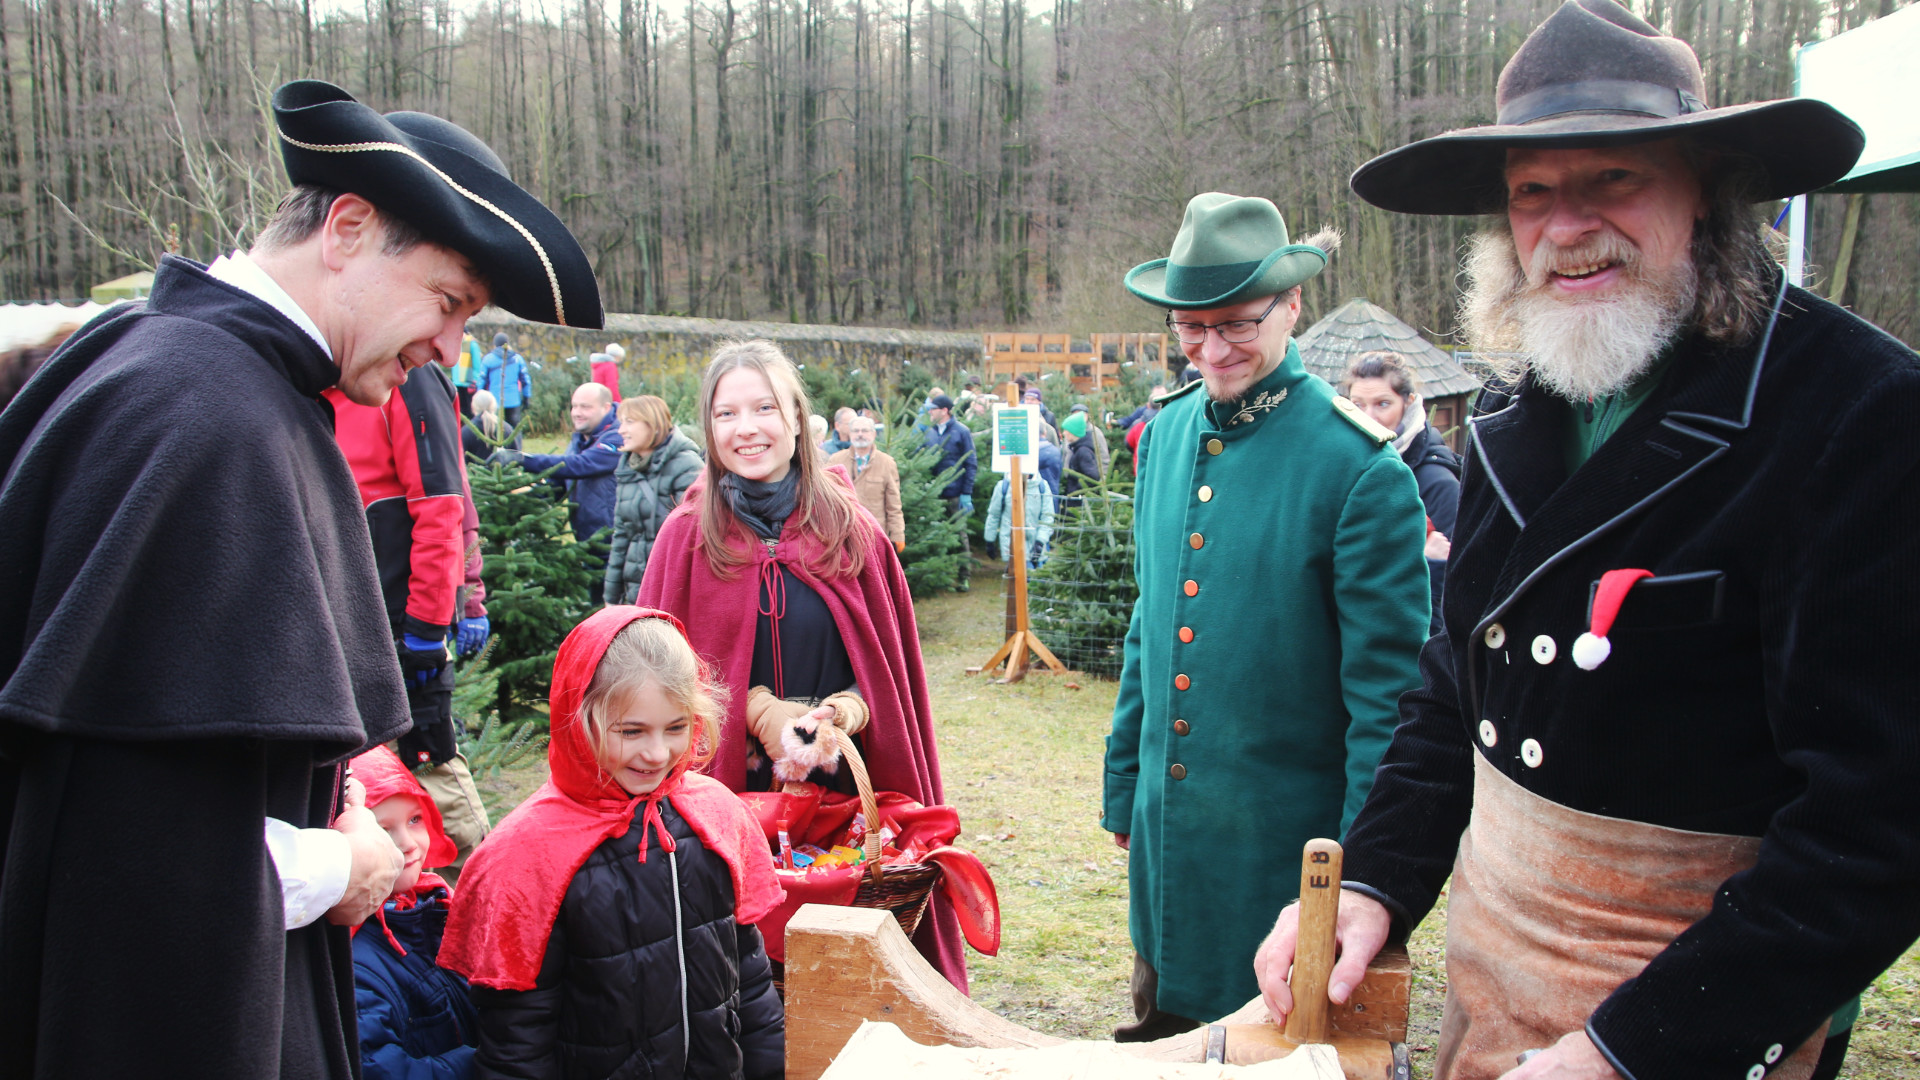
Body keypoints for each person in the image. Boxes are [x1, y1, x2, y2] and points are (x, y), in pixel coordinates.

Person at [1253, 5, 1916, 1079]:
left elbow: (1875, 828)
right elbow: (1450, 697)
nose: (1568, 226)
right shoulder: (1517, 419)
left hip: (1699, 1021)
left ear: (1707, 190)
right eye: (1533, 192)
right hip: (1497, 979)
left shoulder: (1858, 413)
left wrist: (1629, 1051)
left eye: (1614, 179)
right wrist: (1371, 885)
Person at [0, 78, 600, 1078]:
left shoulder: (176, 368)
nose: (450, 350)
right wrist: (344, 863)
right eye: (449, 303)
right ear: (350, 227)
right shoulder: (209, 423)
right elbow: (127, 859)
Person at [1105, 191, 1430, 1039]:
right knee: (1161, 1036)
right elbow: (1151, 621)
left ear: (1292, 304)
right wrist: (1124, 789)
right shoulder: (1167, 436)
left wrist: (1358, 882)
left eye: (1238, 325)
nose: (1212, 350)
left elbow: (1387, 711)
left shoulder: (1360, 471)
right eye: (1190, 328)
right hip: (1168, 855)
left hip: (1280, 871)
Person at [637, 339, 969, 992]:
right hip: (723, 800)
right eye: (726, 414)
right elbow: (655, 684)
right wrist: (757, 712)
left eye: (764, 407)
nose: (747, 428)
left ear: (795, 417)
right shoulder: (685, 536)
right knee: (739, 987)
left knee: (841, 985)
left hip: (844, 801)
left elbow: (886, 672)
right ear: (708, 429)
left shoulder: (852, 529)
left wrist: (844, 710)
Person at [438, 607, 784, 1080]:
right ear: (577, 720)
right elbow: (517, 1041)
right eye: (631, 731)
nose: (658, 753)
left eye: (676, 728)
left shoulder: (714, 817)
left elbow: (750, 974)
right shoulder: (528, 855)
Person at [325, 354, 493, 873]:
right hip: (338, 615)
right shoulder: (315, 379)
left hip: (399, 617)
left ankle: (477, 892)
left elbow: (446, 503)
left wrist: (435, 617)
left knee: (430, 762)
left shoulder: (408, 376)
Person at [349, 744, 478, 1080]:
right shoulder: (352, 958)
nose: (407, 842)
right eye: (382, 829)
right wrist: (497, 1060)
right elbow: (382, 1070)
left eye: (415, 819)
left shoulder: (434, 903)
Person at [1343, 351, 1462, 637]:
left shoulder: (1437, 484)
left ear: (1408, 403)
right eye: (1357, 405)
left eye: (1382, 404)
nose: (1367, 417)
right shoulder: (1348, 466)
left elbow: (1467, 589)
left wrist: (1429, 565)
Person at [507, 382, 624, 594]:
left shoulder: (617, 437)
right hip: (585, 539)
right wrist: (522, 505)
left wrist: (523, 459)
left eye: (585, 407)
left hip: (612, 542)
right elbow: (561, 482)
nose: (577, 413)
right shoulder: (580, 439)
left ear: (606, 408)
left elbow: (580, 465)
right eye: (574, 406)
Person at [605, 394, 704, 606]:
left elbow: (695, 535)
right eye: (621, 422)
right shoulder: (628, 467)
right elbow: (622, 535)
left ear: (653, 424)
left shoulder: (686, 465)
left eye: (629, 422)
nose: (621, 430)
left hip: (671, 590)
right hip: (635, 590)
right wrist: (611, 598)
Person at [920, 391, 978, 590]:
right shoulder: (931, 432)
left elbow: (970, 463)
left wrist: (966, 492)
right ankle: (940, 576)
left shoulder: (961, 431)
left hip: (955, 492)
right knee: (936, 534)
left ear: (944, 411)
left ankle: (964, 576)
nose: (930, 413)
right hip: (933, 494)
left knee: (959, 534)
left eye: (933, 409)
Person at [828, 413, 906, 553]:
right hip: (843, 538)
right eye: (856, 431)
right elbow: (826, 501)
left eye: (864, 431)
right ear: (850, 434)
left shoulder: (887, 463)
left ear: (874, 434)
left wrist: (897, 535)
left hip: (875, 536)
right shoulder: (836, 460)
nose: (860, 434)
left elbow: (894, 505)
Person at [983, 469, 1054, 569]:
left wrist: (1040, 541)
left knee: (1038, 581)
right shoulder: (1004, 487)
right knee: (1023, 579)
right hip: (1012, 547)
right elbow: (994, 515)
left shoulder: (1042, 486)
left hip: (1036, 546)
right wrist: (989, 540)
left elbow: (1047, 517)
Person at [478, 332, 531, 447]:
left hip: (494, 401)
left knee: (494, 428)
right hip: (513, 400)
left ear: (494, 344)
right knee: (515, 429)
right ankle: (517, 452)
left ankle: (495, 452)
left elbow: (482, 381)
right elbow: (525, 380)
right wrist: (526, 397)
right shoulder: (517, 359)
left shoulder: (488, 359)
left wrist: (480, 397)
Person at [1059, 411, 1102, 504]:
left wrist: (1077, 491)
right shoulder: (1077, 449)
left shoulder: (1083, 452)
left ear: (1073, 432)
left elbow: (1093, 477)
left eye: (1066, 430)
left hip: (1079, 502)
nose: (1064, 433)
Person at [464, 387, 504, 460]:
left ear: (473, 407)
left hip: (472, 471)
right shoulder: (506, 429)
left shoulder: (466, 432)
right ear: (494, 405)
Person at [1070, 402, 1110, 469]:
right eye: (1075, 415)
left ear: (1087, 416)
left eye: (1080, 415)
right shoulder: (1069, 432)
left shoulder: (1095, 432)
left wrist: (1103, 476)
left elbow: (1103, 456)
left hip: (1091, 475)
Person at [452, 331, 480, 416]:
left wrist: (475, 381)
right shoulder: (455, 344)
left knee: (469, 410)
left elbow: (477, 364)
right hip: (457, 382)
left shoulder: (472, 345)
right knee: (460, 410)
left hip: (468, 383)